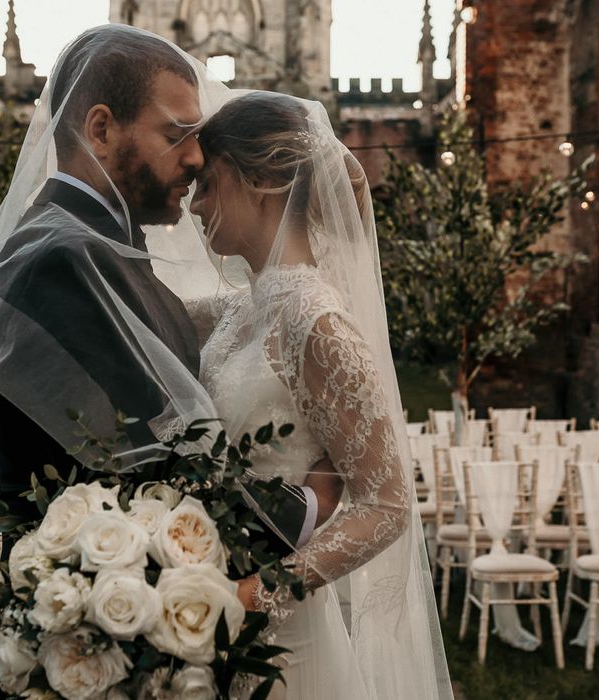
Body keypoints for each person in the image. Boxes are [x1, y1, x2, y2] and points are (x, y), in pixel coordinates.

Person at [0, 26, 340, 699]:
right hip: (80, 637)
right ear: (101, 130)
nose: (199, 158)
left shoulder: (108, 252)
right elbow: (176, 476)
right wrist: (316, 500)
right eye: (177, 134)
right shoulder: (61, 261)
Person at [174, 92, 454, 698]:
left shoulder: (316, 321)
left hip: (281, 639)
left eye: (208, 181)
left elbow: (386, 503)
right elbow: (146, 312)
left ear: (265, 180)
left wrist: (259, 592)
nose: (195, 205)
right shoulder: (244, 309)